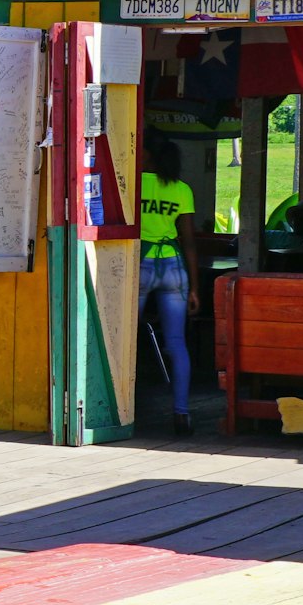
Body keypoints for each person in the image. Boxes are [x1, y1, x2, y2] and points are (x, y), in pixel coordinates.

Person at [138, 153, 200, 435]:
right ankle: (182, 413)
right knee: (177, 343)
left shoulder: (133, 185)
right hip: (174, 265)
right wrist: (195, 288)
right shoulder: (181, 188)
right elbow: (189, 241)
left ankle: (119, 410)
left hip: (141, 262)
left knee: (124, 341)